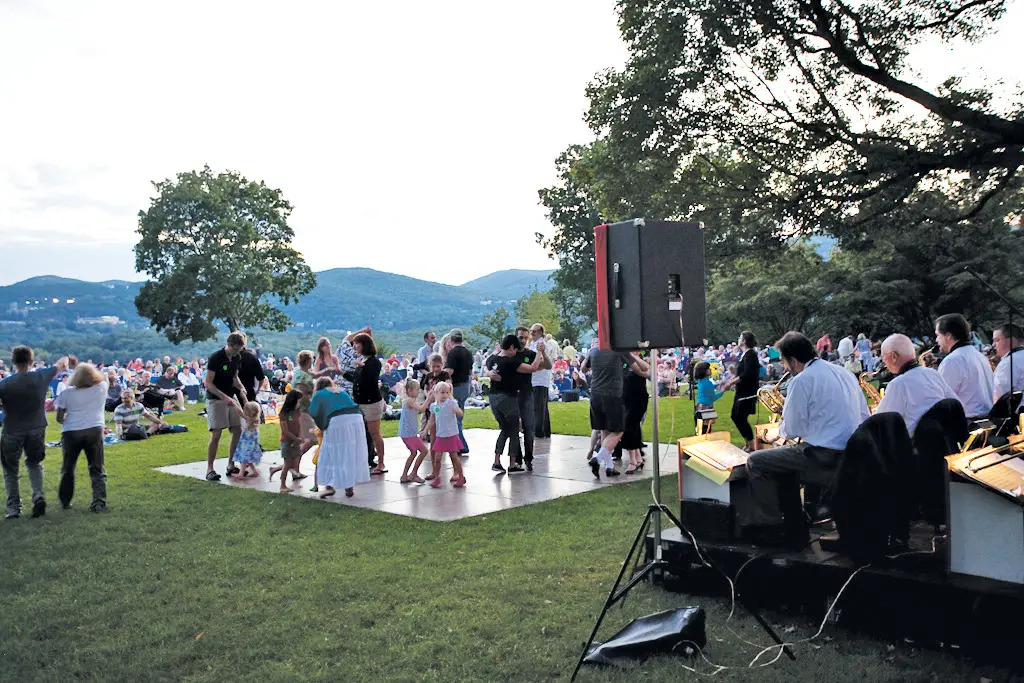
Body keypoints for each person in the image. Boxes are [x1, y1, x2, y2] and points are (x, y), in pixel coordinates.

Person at [746, 332, 870, 548]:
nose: (785, 368)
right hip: (851, 454)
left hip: (825, 458)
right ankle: (796, 524)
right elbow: (863, 416)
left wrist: (780, 425)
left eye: (785, 362)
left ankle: (772, 526)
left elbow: (792, 430)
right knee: (786, 462)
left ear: (794, 360)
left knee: (756, 462)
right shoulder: (843, 373)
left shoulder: (802, 380)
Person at [0, 347, 67, 519]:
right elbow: (61, 364)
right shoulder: (41, 376)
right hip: (37, 427)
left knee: (10, 470)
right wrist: (68, 359)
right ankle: (38, 496)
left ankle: (13, 508)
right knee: (34, 463)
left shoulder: (5, 384)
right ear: (31, 361)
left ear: (13, 362)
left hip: (12, 429)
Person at [873, 334, 958, 437]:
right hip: (945, 441)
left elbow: (880, 423)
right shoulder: (933, 374)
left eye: (883, 357)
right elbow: (955, 404)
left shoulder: (898, 384)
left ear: (894, 356)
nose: (883, 362)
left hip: (916, 447)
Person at [583, 343, 647, 479]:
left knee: (604, 430)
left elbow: (583, 369)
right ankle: (598, 459)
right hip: (612, 395)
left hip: (595, 395)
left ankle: (609, 467)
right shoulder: (620, 350)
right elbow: (641, 367)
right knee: (618, 431)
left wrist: (589, 357)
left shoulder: (593, 350)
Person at [53, 364, 109, 513]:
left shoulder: (67, 393)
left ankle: (65, 500)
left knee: (68, 468)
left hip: (71, 432)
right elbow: (104, 379)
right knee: (97, 467)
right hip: (94, 429)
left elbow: (59, 418)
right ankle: (98, 502)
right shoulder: (101, 388)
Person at [487, 335, 541, 472]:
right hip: (507, 398)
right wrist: (540, 352)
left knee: (505, 429)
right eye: (515, 349)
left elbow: (487, 369)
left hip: (493, 398)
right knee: (514, 430)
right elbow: (533, 368)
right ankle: (512, 463)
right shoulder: (510, 362)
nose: (516, 352)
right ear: (511, 347)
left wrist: (488, 373)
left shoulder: (492, 359)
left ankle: (497, 461)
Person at [309, 376, 369, 498]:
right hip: (356, 418)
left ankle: (329, 486)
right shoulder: (340, 391)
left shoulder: (319, 395)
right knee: (348, 453)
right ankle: (349, 488)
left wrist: (322, 426)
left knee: (330, 452)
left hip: (337, 420)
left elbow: (314, 412)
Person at [203, 332, 249, 481]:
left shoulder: (237, 357)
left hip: (231, 396)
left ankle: (231, 464)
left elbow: (234, 377)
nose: (237, 352)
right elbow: (208, 383)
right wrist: (224, 397)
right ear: (229, 345)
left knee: (237, 430)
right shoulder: (215, 358)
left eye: (240, 350)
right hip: (215, 399)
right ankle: (210, 469)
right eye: (235, 349)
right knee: (216, 434)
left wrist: (241, 387)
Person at [931, 313, 994, 420]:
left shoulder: (952, 361)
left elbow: (941, 399)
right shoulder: (979, 355)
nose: (936, 340)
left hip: (968, 424)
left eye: (938, 335)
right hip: (987, 419)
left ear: (948, 336)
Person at [350, 332, 386, 474]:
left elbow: (371, 380)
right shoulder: (363, 361)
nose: (355, 346)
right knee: (363, 432)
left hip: (371, 402)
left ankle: (381, 463)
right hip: (360, 402)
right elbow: (356, 380)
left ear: (364, 345)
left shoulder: (373, 362)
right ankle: (366, 458)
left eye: (357, 343)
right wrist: (340, 373)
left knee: (374, 433)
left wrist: (362, 367)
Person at [722, 331, 760, 451]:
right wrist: (733, 374)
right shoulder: (745, 355)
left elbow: (747, 374)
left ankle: (751, 444)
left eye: (740, 338)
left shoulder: (750, 355)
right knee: (736, 416)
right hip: (741, 391)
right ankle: (749, 443)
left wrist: (731, 382)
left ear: (744, 341)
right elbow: (743, 372)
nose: (738, 340)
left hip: (747, 392)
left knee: (740, 416)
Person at [425, 381, 466, 488]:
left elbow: (460, 413)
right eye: (442, 393)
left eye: (447, 393)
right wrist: (425, 430)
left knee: (454, 457)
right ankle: (437, 477)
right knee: (437, 457)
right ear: (435, 393)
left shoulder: (451, 403)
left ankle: (461, 476)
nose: (444, 395)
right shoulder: (435, 406)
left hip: (451, 434)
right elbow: (432, 420)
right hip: (441, 435)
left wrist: (457, 411)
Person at [269, 391, 312, 492]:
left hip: (296, 441)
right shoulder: (283, 414)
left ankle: (274, 470)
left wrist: (300, 437)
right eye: (298, 402)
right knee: (287, 464)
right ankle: (282, 485)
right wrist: (296, 439)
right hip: (287, 442)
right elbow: (285, 431)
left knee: (294, 464)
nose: (299, 404)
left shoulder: (297, 411)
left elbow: (299, 425)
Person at [514, 326, 543, 468]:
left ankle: (528, 458)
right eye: (521, 337)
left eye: (526, 337)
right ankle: (518, 459)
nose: (524, 340)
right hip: (512, 394)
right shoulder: (510, 354)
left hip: (526, 393)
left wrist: (542, 352)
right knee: (514, 427)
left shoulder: (530, 354)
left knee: (529, 426)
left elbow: (546, 365)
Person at [620, 351, 651, 474]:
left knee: (630, 427)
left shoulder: (637, 359)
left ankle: (633, 461)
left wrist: (633, 357)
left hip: (638, 398)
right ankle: (637, 458)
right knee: (633, 427)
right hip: (625, 398)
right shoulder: (623, 359)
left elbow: (646, 370)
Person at [444, 329, 474, 454]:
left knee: (454, 419)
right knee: (459, 416)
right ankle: (456, 444)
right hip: (465, 386)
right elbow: (469, 371)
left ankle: (461, 445)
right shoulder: (468, 352)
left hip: (455, 387)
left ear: (451, 340)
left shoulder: (453, 353)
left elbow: (450, 371)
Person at [398, 378, 432, 483]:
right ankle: (413, 474)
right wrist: (429, 398)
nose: (418, 392)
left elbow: (417, 410)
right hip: (409, 433)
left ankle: (405, 475)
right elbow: (421, 409)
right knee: (424, 451)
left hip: (408, 433)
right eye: (417, 390)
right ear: (410, 391)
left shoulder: (410, 401)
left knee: (413, 453)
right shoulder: (409, 400)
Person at [528, 323, 556, 439]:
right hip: (534, 379)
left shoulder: (542, 344)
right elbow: (528, 358)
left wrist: (534, 366)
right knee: (540, 406)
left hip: (540, 380)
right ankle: (544, 430)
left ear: (540, 332)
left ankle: (539, 430)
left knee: (538, 407)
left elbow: (544, 361)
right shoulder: (532, 344)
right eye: (531, 331)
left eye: (534, 331)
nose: (532, 333)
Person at [228, 400, 264, 480]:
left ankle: (241, 473)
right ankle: (254, 471)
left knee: (243, 459)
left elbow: (240, 412)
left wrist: (234, 404)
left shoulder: (249, 420)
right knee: (249, 459)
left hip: (246, 444)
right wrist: (243, 396)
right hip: (252, 444)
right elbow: (247, 405)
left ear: (249, 412)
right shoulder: (256, 419)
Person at [992, 323, 1024, 401]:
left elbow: (999, 396)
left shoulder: (1008, 363)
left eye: (997, 340)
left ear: (1011, 341)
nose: (993, 345)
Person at [693, 361, 724, 435]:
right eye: (708, 369)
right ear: (704, 371)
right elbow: (713, 397)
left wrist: (719, 384)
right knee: (706, 429)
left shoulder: (701, 381)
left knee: (700, 429)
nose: (710, 370)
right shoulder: (708, 383)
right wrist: (723, 391)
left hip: (699, 406)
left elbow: (710, 387)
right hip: (706, 408)